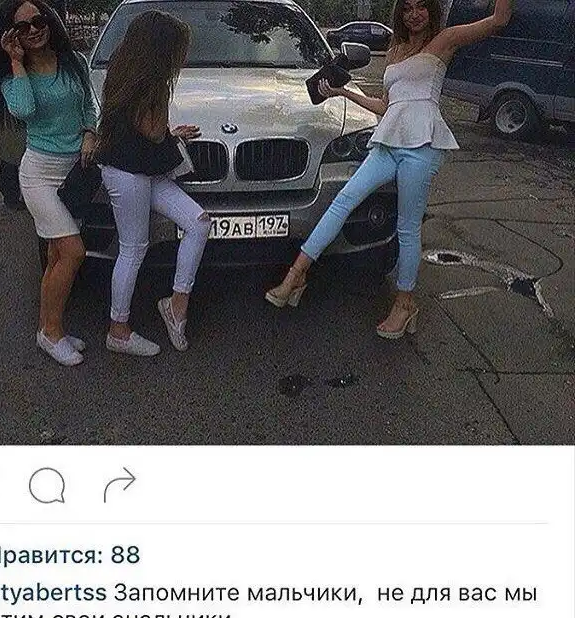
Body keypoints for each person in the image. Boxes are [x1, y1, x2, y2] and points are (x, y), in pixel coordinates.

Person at [265, 0, 513, 339]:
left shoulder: (444, 40)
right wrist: (342, 92)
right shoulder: (395, 49)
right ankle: (297, 274)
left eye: (421, 7)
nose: (414, 14)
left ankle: (405, 303)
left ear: (431, 11)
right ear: (400, 13)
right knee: (343, 200)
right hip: (387, 143)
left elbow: (499, 20)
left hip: (421, 145)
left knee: (407, 227)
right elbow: (385, 105)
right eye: (407, 8)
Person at [0, 0, 97, 366]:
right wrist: (17, 61)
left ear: (50, 21)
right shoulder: (12, 76)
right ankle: (51, 333)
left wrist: (89, 132)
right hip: (39, 175)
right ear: (10, 34)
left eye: (39, 20)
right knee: (74, 252)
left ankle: (49, 328)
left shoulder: (74, 61)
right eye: (22, 26)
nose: (33, 29)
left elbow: (89, 104)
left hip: (73, 173)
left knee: (55, 256)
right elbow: (25, 111)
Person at [96, 10, 211, 356]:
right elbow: (154, 131)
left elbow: (146, 131)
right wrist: (168, 131)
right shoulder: (151, 83)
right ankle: (118, 330)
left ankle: (176, 306)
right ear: (160, 49)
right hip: (127, 173)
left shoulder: (123, 73)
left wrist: (170, 134)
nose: (181, 57)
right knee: (133, 248)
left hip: (142, 169)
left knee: (198, 222)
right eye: (177, 49)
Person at [0, 0, 66, 210]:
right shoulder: (3, 20)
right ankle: (11, 195)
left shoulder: (44, 14)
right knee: (10, 147)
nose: (32, 29)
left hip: (35, 82)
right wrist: (1, 57)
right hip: (9, 87)